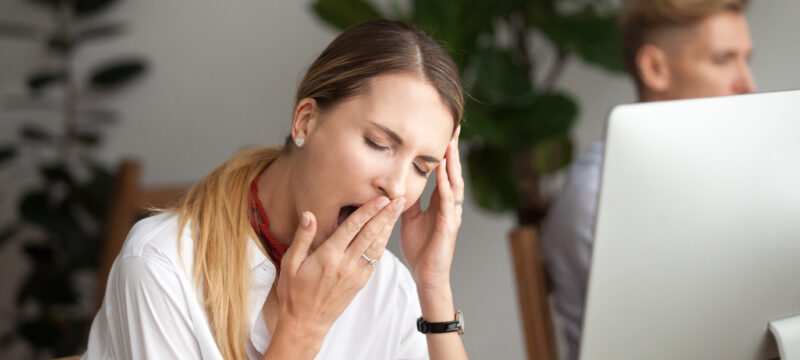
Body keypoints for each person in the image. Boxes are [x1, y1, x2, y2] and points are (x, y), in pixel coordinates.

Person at [83, 19, 468, 360]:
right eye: (378, 143)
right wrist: (303, 328)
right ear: (305, 121)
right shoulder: (160, 265)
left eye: (422, 168)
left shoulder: (391, 287)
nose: (396, 187)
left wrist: (433, 285)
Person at [540, 0, 756, 358]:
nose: (747, 84)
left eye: (747, 60)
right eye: (723, 59)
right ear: (655, 68)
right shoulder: (600, 195)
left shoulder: (735, 175)